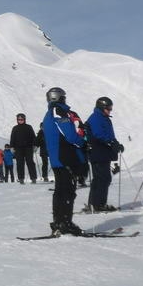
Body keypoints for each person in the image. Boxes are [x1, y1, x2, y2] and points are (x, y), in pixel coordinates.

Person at [42, 87, 88, 235]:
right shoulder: (59, 112)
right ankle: (65, 222)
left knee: (61, 190)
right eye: (63, 97)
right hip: (64, 156)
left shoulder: (50, 113)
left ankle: (59, 221)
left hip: (58, 157)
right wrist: (82, 142)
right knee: (67, 190)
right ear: (59, 98)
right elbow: (69, 134)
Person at [85, 96, 124, 212]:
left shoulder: (104, 118)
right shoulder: (96, 118)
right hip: (98, 151)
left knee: (101, 178)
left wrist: (116, 143)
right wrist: (111, 142)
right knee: (103, 178)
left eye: (111, 108)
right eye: (108, 108)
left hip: (102, 152)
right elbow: (98, 134)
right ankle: (98, 204)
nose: (110, 110)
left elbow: (109, 134)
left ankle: (95, 203)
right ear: (102, 107)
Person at [9, 113, 38, 183]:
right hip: (18, 148)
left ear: (24, 119)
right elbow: (12, 138)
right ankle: (21, 178)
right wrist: (12, 147)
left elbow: (33, 137)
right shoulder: (15, 128)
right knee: (20, 163)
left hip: (28, 147)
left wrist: (35, 145)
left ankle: (33, 178)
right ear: (17, 120)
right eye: (19, 119)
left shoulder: (29, 127)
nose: (20, 120)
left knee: (30, 162)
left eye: (21, 119)